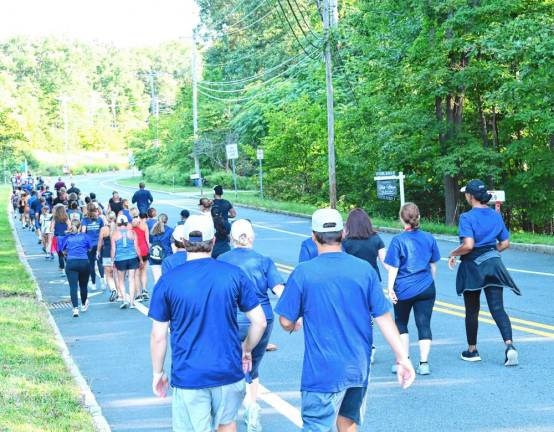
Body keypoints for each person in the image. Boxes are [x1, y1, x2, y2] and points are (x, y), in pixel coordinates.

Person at [275, 208, 416, 432]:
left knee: (316, 426)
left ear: (313, 236)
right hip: (357, 368)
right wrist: (402, 358)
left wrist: (293, 324)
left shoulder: (303, 272)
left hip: (321, 371)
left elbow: (284, 321)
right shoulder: (364, 271)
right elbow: (384, 318)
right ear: (343, 234)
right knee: (347, 422)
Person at [148, 215, 267, 432]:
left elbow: (158, 335)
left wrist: (158, 373)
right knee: (226, 423)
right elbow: (259, 321)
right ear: (213, 241)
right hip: (228, 369)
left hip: (189, 373)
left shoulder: (168, 281)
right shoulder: (233, 274)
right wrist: (246, 349)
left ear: (183, 242)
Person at [218, 219, 285, 432]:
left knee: (229, 364)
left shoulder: (221, 259)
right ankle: (251, 408)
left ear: (231, 238)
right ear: (252, 237)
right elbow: (279, 291)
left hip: (230, 318)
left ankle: (226, 413)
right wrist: (295, 316)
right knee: (252, 366)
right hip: (261, 319)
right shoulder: (264, 261)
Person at [448, 179, 521, 366]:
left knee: (472, 310)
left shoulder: (467, 217)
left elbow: (469, 245)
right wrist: (490, 253)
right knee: (498, 308)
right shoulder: (496, 216)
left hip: (473, 268)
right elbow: (505, 244)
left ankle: (472, 351)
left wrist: (454, 253)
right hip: (494, 264)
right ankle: (510, 346)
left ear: (470, 196)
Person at [384, 203, 441, 376]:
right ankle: (424, 363)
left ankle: (404, 360)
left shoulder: (398, 240)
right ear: (418, 217)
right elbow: (433, 265)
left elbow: (393, 268)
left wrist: (390, 288)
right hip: (426, 287)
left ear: (402, 218)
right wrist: (429, 282)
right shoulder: (429, 238)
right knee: (424, 324)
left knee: (401, 323)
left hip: (404, 289)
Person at [343, 208, 388, 366]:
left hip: (351, 284)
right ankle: (370, 347)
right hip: (372, 282)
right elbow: (386, 263)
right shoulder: (376, 239)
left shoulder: (346, 242)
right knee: (369, 317)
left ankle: (357, 349)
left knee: (353, 317)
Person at [58, 219, 91, 318]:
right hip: (84, 262)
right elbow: (89, 248)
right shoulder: (85, 236)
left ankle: (75, 308)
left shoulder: (66, 238)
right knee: (83, 285)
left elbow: (62, 251)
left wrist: (68, 254)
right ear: (80, 227)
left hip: (71, 262)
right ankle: (84, 304)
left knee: (73, 286)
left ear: (70, 227)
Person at [111, 215, 143, 309]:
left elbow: (113, 249)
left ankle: (124, 299)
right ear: (126, 223)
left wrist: (112, 260)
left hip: (120, 259)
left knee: (121, 280)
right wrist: (140, 259)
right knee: (132, 279)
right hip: (132, 258)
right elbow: (137, 247)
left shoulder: (115, 234)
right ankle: (132, 302)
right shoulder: (132, 233)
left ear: (117, 223)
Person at [81, 203, 104, 290]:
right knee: (99, 262)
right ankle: (102, 280)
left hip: (89, 245)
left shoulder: (85, 220)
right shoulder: (100, 219)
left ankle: (94, 284)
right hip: (99, 243)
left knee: (91, 264)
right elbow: (103, 230)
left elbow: (83, 232)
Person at [97, 212, 118, 302]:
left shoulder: (104, 229)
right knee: (117, 274)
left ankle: (113, 289)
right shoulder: (118, 228)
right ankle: (120, 292)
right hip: (117, 253)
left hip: (106, 253)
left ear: (107, 218)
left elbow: (100, 242)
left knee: (108, 274)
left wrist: (98, 251)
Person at [131, 208, 149, 301]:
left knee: (136, 274)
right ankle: (145, 290)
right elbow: (147, 239)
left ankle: (138, 294)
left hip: (135, 251)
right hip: (144, 249)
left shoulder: (131, 226)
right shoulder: (144, 225)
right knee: (144, 271)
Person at [149, 213, 173, 283]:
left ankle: (157, 292)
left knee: (156, 279)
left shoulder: (153, 230)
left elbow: (150, 242)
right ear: (167, 221)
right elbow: (172, 244)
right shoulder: (170, 230)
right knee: (167, 278)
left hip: (154, 256)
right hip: (166, 255)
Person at [52, 204, 69, 271]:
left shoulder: (54, 218)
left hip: (57, 237)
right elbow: (70, 226)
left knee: (59, 254)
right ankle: (67, 263)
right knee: (66, 251)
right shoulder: (66, 218)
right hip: (65, 237)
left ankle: (61, 267)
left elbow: (51, 228)